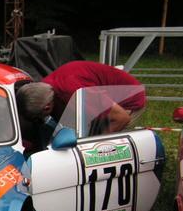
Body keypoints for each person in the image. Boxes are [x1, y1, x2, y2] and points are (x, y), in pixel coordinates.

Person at [16, 61, 146, 151]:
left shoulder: (78, 94)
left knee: (96, 148)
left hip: (128, 101)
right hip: (94, 97)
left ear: (47, 108)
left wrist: (96, 145)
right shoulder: (44, 89)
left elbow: (121, 118)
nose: (39, 121)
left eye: (38, 117)